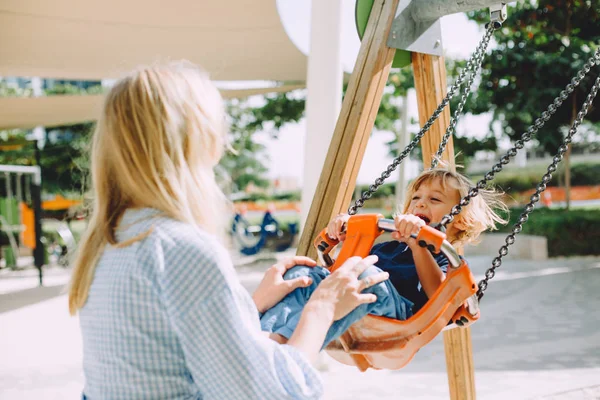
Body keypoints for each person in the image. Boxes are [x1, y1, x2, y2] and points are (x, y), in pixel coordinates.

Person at [68, 61, 390, 400]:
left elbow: (165, 354)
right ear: (198, 140)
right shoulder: (182, 249)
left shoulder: (109, 241)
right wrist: (322, 307)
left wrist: (249, 307)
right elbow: (268, 395)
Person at [260, 166, 508, 348]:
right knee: (301, 274)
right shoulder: (388, 247)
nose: (420, 205)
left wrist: (418, 245)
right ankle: (268, 340)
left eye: (434, 199)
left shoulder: (447, 260)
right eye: (416, 198)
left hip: (400, 314)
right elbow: (341, 269)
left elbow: (439, 298)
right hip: (361, 293)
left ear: (461, 219)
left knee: (364, 274)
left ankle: (294, 352)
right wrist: (345, 234)